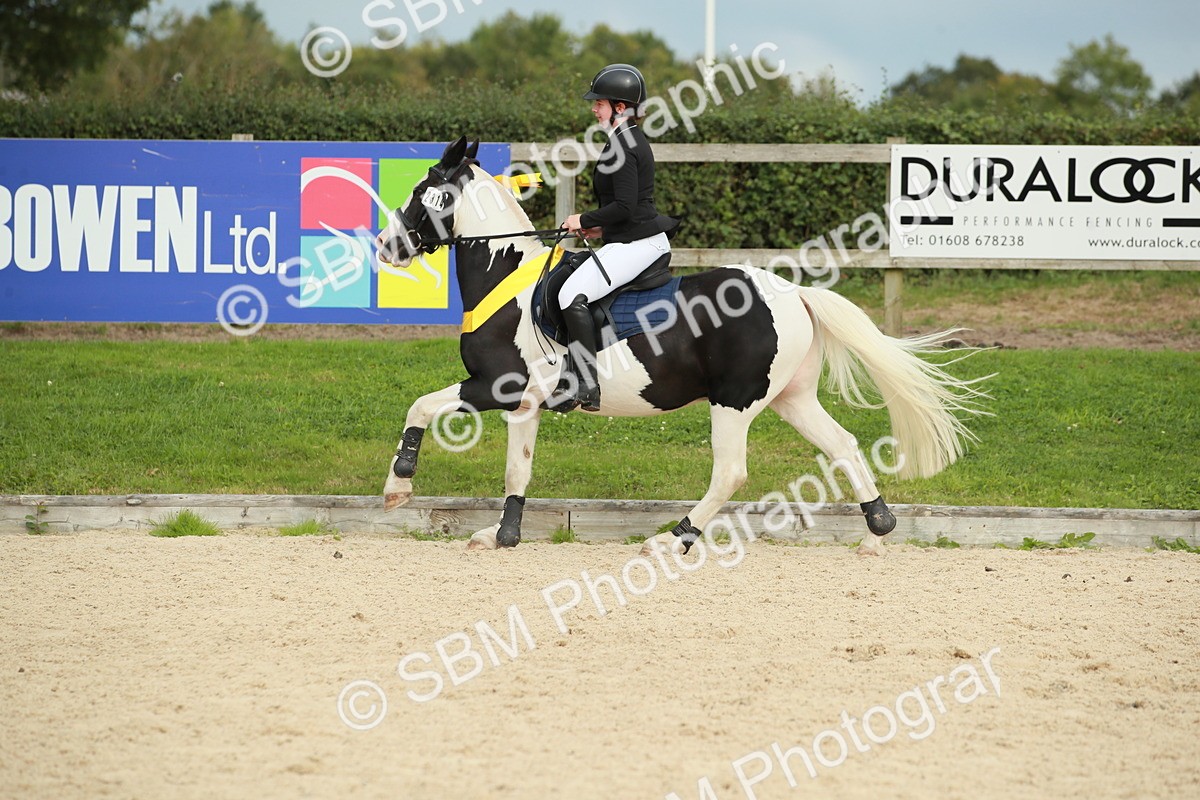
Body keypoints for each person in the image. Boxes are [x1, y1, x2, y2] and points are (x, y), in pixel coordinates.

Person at [551, 63, 679, 413]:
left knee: (569, 295)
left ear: (620, 107)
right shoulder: (624, 140)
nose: (594, 108)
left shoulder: (624, 145)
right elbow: (632, 207)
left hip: (639, 245)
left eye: (600, 103)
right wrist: (599, 230)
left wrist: (583, 218)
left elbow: (624, 206)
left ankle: (587, 385)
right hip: (630, 237)